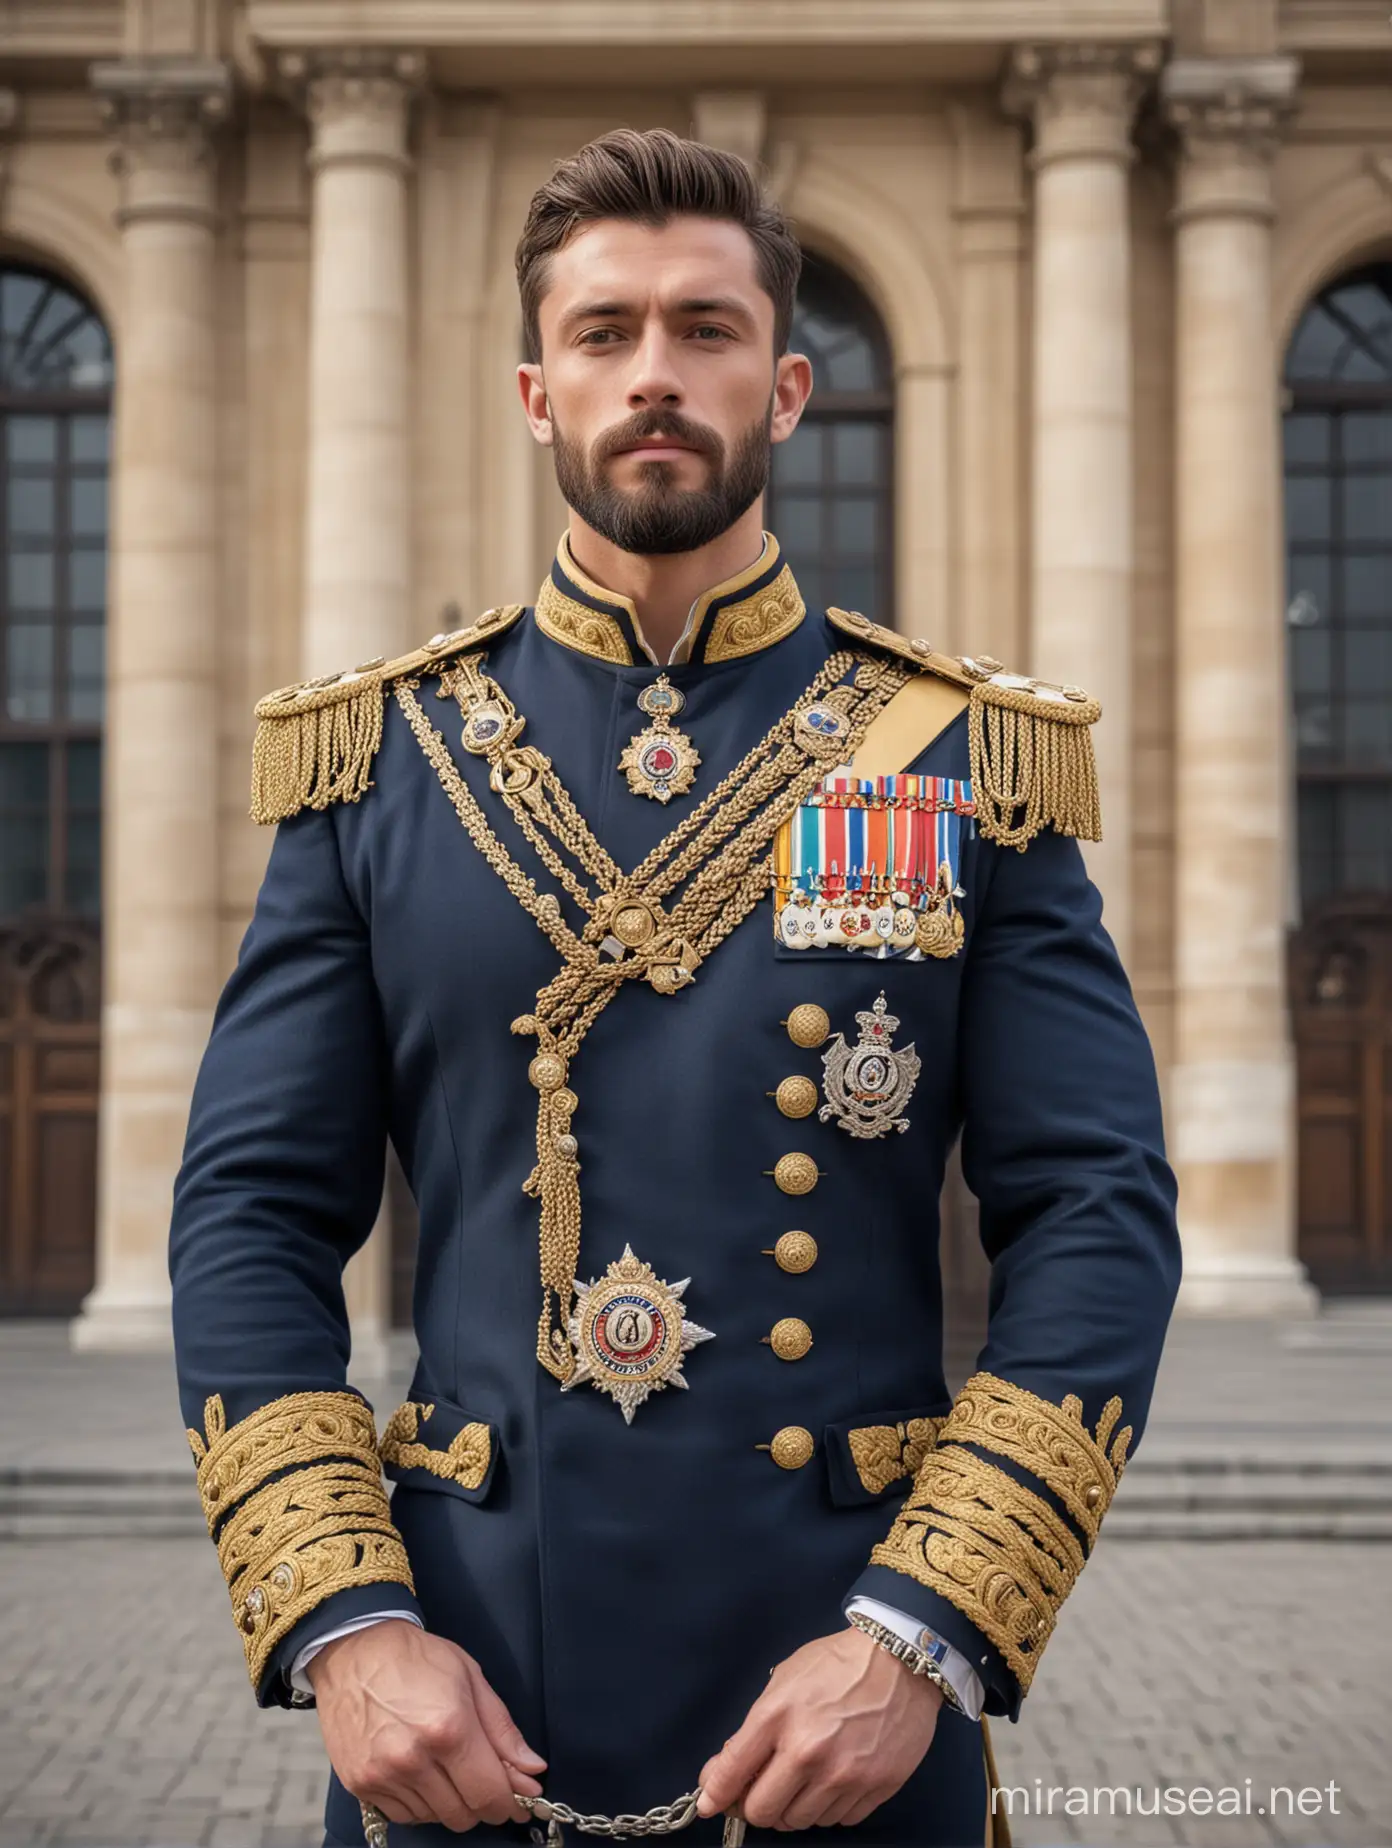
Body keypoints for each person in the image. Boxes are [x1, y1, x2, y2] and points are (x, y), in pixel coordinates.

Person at [170, 128, 1180, 1847]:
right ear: (533, 391)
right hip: (464, 1703)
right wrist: (347, 1627)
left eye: (707, 332)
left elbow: (1095, 1208)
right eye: (607, 333)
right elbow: (254, 1214)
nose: (657, 375)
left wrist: (922, 1634)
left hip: (842, 1685)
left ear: (786, 390)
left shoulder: (954, 760)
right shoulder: (383, 763)